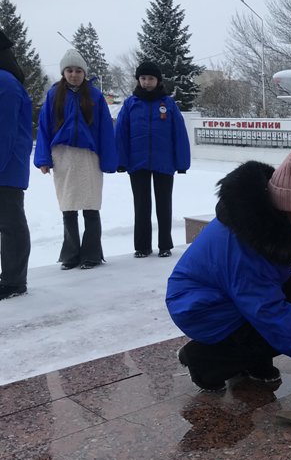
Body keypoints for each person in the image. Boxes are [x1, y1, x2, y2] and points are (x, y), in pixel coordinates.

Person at [166, 150, 291, 392]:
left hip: (217, 297)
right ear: (286, 204)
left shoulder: (260, 222)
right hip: (199, 308)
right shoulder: (248, 245)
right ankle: (202, 361)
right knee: (274, 320)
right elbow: (266, 310)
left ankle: (253, 363)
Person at [33, 49, 117, 270]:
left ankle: (91, 254)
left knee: (90, 205)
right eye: (69, 70)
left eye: (78, 70)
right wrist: (43, 158)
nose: (74, 74)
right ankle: (70, 254)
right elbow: (43, 128)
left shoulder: (96, 96)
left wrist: (109, 160)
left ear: (84, 73)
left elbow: (105, 131)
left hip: (89, 156)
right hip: (63, 156)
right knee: (68, 206)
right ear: (63, 72)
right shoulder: (53, 95)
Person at [115, 61, 191, 258]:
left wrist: (181, 162)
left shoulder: (168, 104)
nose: (146, 82)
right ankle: (142, 247)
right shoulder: (130, 104)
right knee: (141, 206)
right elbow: (121, 134)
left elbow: (179, 134)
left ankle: (165, 245)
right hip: (137, 163)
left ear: (158, 81)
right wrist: (121, 161)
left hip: (164, 163)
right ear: (138, 80)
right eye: (143, 78)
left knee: (164, 205)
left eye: (150, 78)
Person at [0, 29, 32, 300]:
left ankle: (13, 281)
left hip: (6, 167)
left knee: (11, 224)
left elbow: (5, 131)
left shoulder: (5, 82)